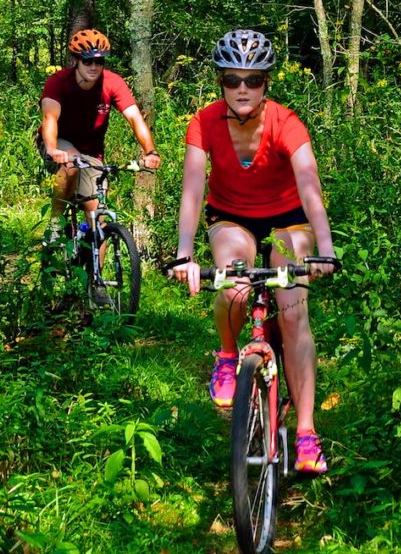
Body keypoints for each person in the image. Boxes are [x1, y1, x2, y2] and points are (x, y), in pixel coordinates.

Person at [172, 29, 336, 474]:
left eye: (253, 79)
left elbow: (310, 185)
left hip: (288, 220)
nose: (242, 88)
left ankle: (305, 433)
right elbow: (192, 189)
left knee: (294, 310)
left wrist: (326, 249)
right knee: (233, 280)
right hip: (231, 218)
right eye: (231, 79)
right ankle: (228, 356)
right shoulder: (203, 123)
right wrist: (186, 254)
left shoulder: (287, 124)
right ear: (220, 82)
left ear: (266, 83)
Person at [37, 29, 161, 251]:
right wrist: (53, 148)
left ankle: (97, 283)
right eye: (87, 61)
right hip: (60, 142)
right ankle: (55, 221)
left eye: (99, 61)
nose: (94, 67)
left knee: (98, 220)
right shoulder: (58, 82)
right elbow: (50, 117)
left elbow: (134, 117)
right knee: (71, 164)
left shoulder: (113, 82)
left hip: (92, 153)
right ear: (76, 61)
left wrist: (150, 151)